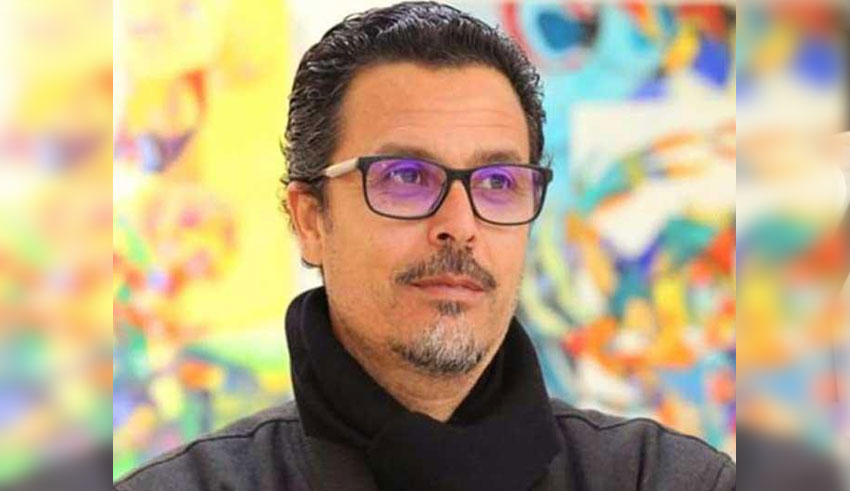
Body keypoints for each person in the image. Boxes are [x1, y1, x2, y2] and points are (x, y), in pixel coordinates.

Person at [113, 2, 735, 490]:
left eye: (498, 183)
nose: (460, 224)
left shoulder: (661, 479)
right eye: (406, 177)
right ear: (310, 219)